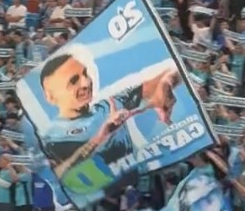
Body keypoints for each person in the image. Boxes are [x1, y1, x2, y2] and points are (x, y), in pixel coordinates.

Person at [38, 52, 181, 189]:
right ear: (51, 96)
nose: (86, 83)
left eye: (85, 73)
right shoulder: (53, 136)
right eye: (73, 81)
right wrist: (100, 136)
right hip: (104, 197)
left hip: (135, 185)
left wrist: (166, 83)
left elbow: (174, 69)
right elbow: (58, 175)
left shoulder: (108, 105)